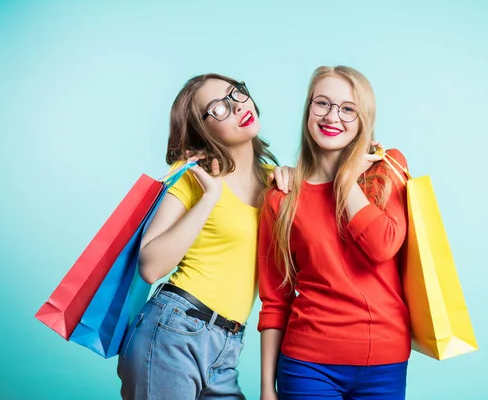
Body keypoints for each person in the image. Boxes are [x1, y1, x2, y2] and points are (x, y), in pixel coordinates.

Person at [117, 73, 292, 400]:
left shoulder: (276, 181)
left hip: (227, 345)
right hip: (175, 332)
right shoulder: (194, 177)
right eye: (219, 108)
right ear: (202, 130)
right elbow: (150, 266)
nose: (238, 106)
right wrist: (209, 197)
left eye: (236, 93)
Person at [258, 65, 411, 400]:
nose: (332, 117)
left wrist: (344, 180)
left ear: (363, 119)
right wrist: (267, 387)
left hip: (385, 360)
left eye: (347, 109)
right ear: (308, 110)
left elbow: (383, 245)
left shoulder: (389, 169)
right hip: (307, 364)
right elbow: (275, 300)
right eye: (322, 104)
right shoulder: (281, 197)